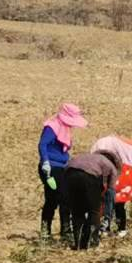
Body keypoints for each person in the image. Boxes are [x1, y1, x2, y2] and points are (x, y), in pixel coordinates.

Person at [36, 102, 87, 240]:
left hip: (62, 166)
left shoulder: (64, 128)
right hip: (51, 167)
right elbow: (43, 144)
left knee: (57, 198)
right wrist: (45, 161)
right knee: (61, 198)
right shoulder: (52, 127)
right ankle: (62, 230)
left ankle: (52, 231)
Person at [61, 148, 119, 250]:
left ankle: (77, 243)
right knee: (94, 211)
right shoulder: (111, 166)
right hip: (89, 177)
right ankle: (92, 242)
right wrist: (106, 210)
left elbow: (66, 168)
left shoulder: (84, 156)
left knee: (77, 211)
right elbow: (111, 191)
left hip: (70, 175)